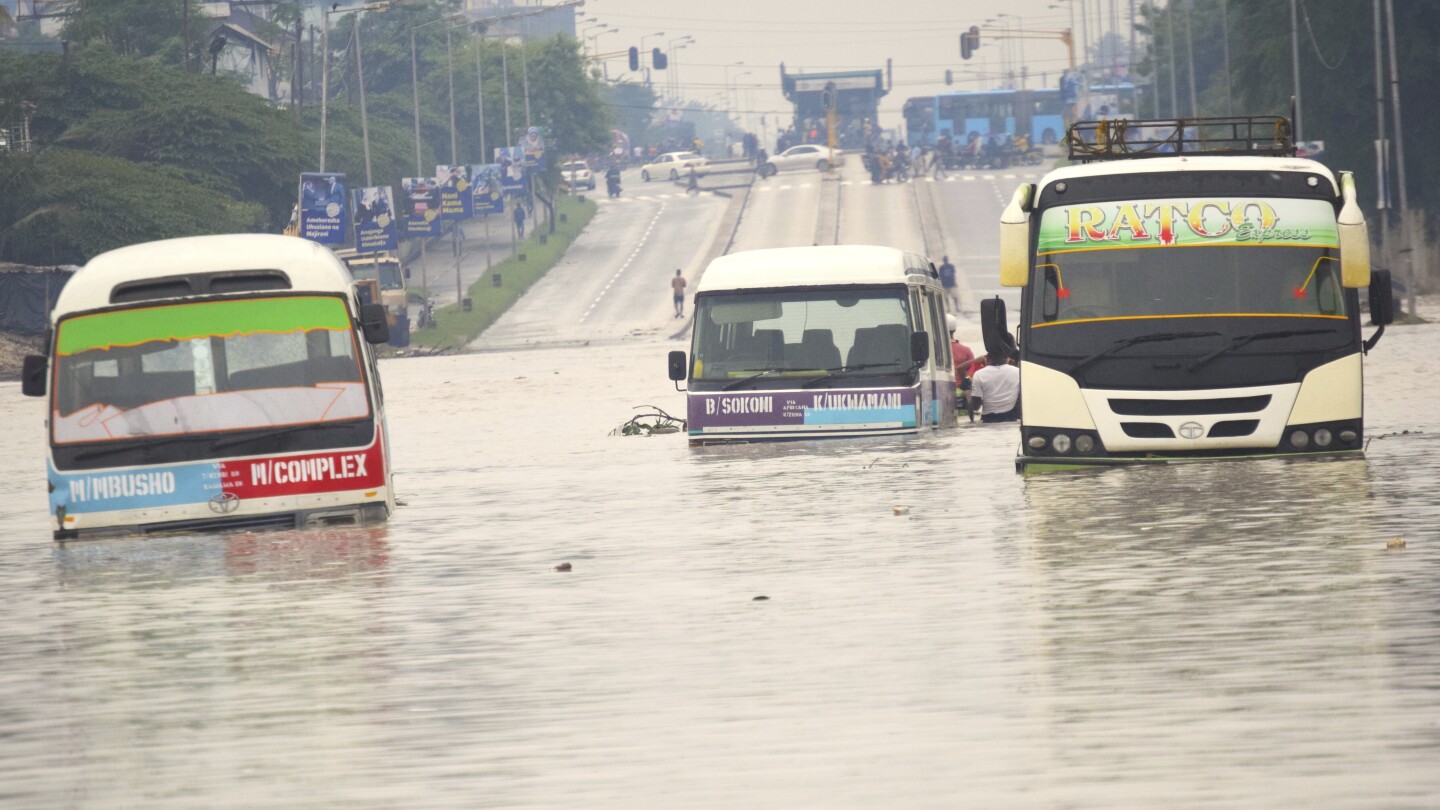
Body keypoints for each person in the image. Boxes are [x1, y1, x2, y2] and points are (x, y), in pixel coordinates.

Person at [969, 352, 1021, 422]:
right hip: (1012, 417)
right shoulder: (1018, 372)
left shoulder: (979, 374)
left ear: (987, 358)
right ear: (1007, 359)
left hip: (988, 418)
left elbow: (976, 406)